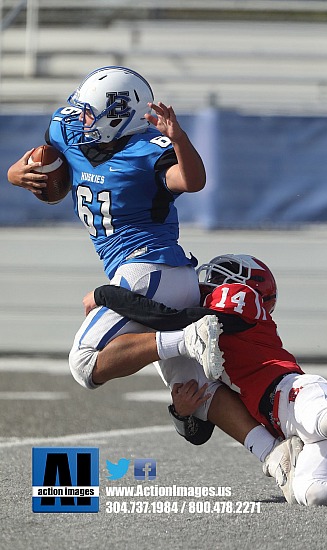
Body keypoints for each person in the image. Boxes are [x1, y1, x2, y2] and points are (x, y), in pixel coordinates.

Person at [7, 66, 298, 499]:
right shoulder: (68, 129)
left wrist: (179, 138)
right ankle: (276, 456)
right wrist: (17, 175)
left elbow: (193, 181)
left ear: (119, 114)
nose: (81, 119)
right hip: (165, 276)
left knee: (85, 363)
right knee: (194, 393)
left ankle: (186, 337)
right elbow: (35, 163)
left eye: (92, 113)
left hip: (147, 270)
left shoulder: (148, 150)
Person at [84, 253, 327, 506]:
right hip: (288, 424)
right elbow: (199, 434)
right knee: (314, 494)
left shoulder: (240, 299)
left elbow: (170, 320)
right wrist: (181, 412)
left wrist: (106, 295)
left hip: (296, 394)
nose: (210, 279)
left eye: (222, 273)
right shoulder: (206, 344)